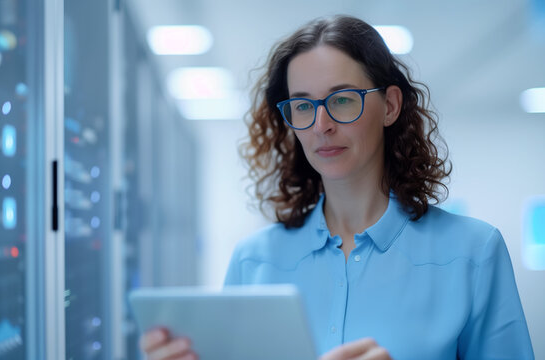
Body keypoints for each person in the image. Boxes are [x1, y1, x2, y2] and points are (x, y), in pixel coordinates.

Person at [139, 15, 534, 360]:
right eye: (304, 105)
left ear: (391, 106)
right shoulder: (253, 262)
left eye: (343, 100)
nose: (321, 125)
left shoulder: (472, 254)